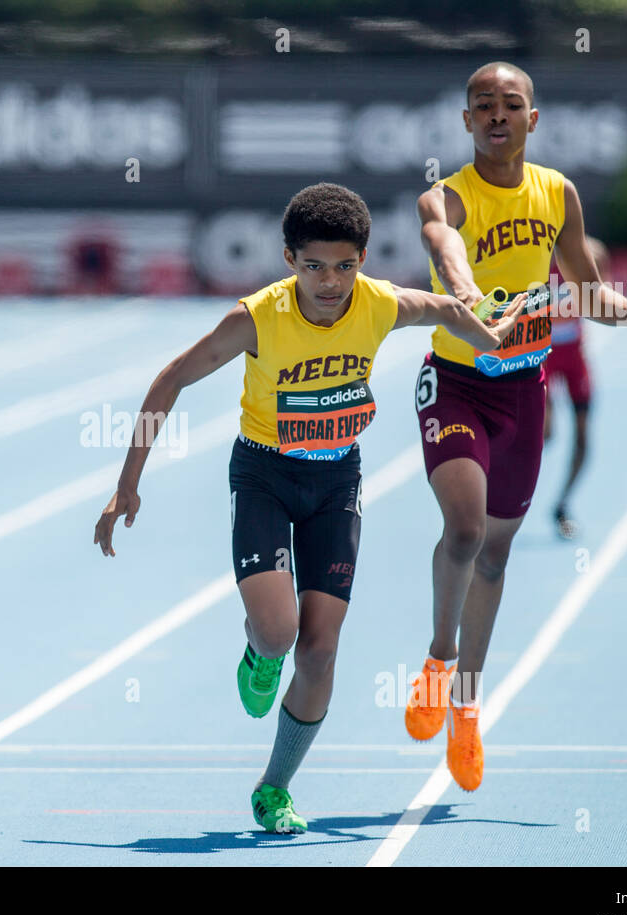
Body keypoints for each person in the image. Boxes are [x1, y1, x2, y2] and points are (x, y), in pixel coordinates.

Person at [93, 183, 521, 832]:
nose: (330, 282)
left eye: (345, 266)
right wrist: (129, 482)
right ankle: (259, 655)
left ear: (363, 260)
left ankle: (275, 788)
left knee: (320, 650)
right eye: (315, 266)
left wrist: (488, 338)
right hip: (265, 476)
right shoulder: (257, 318)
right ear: (290, 259)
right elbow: (172, 377)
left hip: (335, 486)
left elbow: (443, 310)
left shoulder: (378, 304)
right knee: (279, 632)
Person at [406, 62, 627, 792]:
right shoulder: (446, 196)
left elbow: (583, 289)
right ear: (465, 121)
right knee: (462, 529)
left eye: (510, 104)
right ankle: (436, 658)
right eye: (483, 105)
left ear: (533, 119)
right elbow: (443, 242)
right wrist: (465, 293)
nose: (497, 115)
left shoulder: (558, 193)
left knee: (493, 555)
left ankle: (466, 705)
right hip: (455, 384)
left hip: (524, 391)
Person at [542, 235, 610, 540]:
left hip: (574, 357)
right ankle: (504, 493)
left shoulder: (590, 252)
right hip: (542, 353)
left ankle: (562, 504)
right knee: (545, 434)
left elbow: (602, 293)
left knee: (582, 437)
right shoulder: (537, 256)